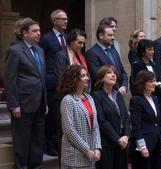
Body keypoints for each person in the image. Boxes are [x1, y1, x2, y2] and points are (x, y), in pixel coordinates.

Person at [4, 17, 47, 169]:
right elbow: (10, 80)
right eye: (35, 31)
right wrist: (14, 104)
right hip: (22, 104)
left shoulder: (40, 50)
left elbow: (41, 78)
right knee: (22, 141)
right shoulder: (14, 51)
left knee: (37, 139)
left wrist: (45, 102)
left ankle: (36, 166)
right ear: (24, 33)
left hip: (40, 103)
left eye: (39, 30)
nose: (39, 33)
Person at [54, 28, 88, 163]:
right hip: (66, 99)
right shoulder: (61, 56)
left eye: (83, 43)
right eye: (79, 43)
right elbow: (61, 79)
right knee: (66, 135)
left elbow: (87, 76)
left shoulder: (81, 57)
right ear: (71, 41)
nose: (82, 46)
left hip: (81, 100)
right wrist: (74, 95)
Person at [57, 65, 101, 168]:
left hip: (91, 156)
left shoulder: (89, 98)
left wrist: (97, 148)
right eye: (83, 76)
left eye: (87, 75)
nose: (87, 78)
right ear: (74, 79)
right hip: (74, 157)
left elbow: (95, 126)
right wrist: (86, 150)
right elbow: (69, 130)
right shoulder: (68, 100)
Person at [39, 9, 68, 156]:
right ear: (54, 20)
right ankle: (49, 145)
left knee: (62, 117)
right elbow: (41, 59)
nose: (65, 21)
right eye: (62, 19)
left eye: (66, 19)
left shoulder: (68, 38)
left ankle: (59, 144)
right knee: (51, 118)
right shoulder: (46, 38)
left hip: (65, 84)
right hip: (51, 83)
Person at [91, 65, 130, 169]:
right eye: (109, 73)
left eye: (114, 73)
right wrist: (117, 139)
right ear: (101, 78)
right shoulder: (96, 96)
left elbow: (126, 117)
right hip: (107, 143)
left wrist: (126, 135)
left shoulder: (118, 95)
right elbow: (102, 121)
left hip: (123, 142)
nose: (113, 75)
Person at [130, 70, 161, 169]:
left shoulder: (154, 99)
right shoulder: (136, 100)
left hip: (156, 143)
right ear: (142, 83)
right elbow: (136, 126)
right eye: (150, 81)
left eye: (154, 81)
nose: (154, 84)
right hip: (144, 145)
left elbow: (159, 122)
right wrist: (142, 147)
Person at [86, 24, 128, 94]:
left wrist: (124, 86)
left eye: (113, 35)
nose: (113, 38)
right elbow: (97, 75)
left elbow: (122, 72)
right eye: (110, 35)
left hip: (118, 93)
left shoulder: (114, 52)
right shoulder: (91, 53)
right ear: (101, 36)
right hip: (102, 94)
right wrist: (116, 88)